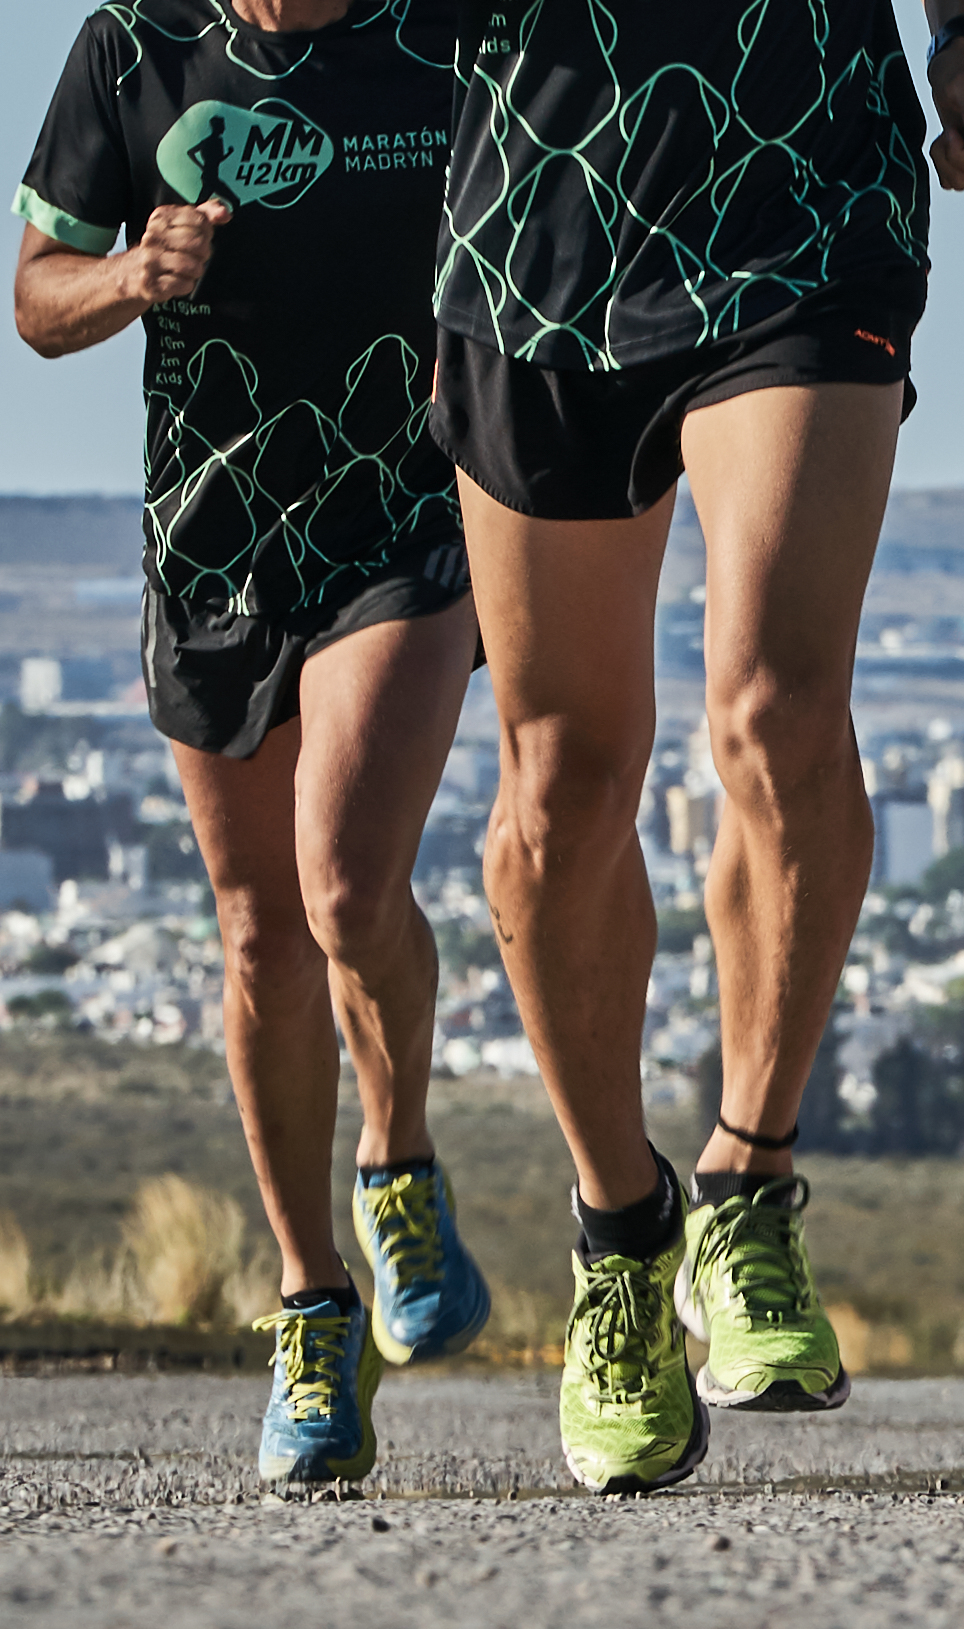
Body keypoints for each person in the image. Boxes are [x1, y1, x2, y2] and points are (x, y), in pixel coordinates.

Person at [429, 0, 964, 1494]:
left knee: (773, 704)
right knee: (556, 786)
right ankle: (621, 1240)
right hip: (536, 228)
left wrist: (962, 40)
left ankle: (746, 1178)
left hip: (799, 179)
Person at [14, 0, 487, 1486]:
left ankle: (396, 1164)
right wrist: (130, 274)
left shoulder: (443, 31)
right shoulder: (130, 48)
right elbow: (33, 298)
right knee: (260, 938)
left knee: (346, 886)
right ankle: (312, 1306)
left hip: (404, 525)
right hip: (214, 551)